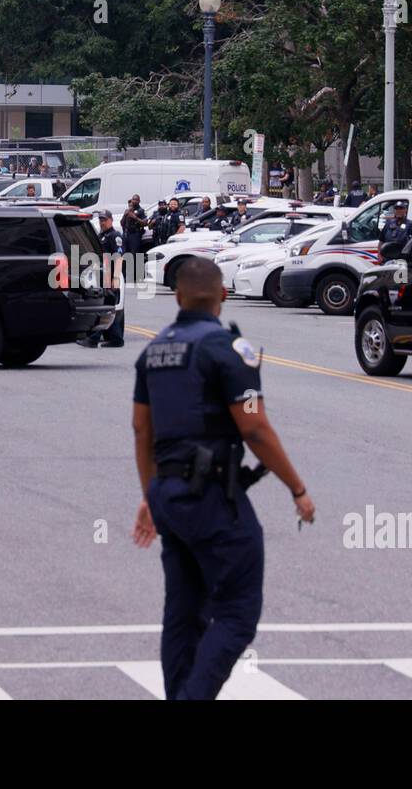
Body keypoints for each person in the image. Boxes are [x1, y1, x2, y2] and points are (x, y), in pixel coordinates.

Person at [131, 258, 315, 700]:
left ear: (176, 297)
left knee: (183, 610)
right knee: (237, 610)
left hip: (168, 496)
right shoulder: (229, 350)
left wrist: (150, 496)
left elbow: (142, 430)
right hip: (210, 495)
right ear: (223, 297)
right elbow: (253, 426)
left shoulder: (152, 351)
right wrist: (298, 488)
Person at [78, 210, 125, 348]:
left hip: (110, 276)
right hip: (101, 276)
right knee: (110, 307)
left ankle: (93, 338)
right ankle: (116, 339)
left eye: (104, 220)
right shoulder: (102, 236)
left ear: (111, 220)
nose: (102, 222)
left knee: (103, 307)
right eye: (100, 220)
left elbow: (118, 257)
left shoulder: (115, 236)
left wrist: (115, 278)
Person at [121, 196, 146, 261]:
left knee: (134, 254)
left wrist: (135, 217)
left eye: (136, 200)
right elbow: (122, 223)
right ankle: (126, 270)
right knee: (125, 253)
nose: (134, 201)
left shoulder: (141, 211)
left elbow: (145, 223)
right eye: (133, 199)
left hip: (135, 234)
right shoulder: (128, 210)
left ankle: (135, 270)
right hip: (126, 234)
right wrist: (125, 215)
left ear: (139, 201)